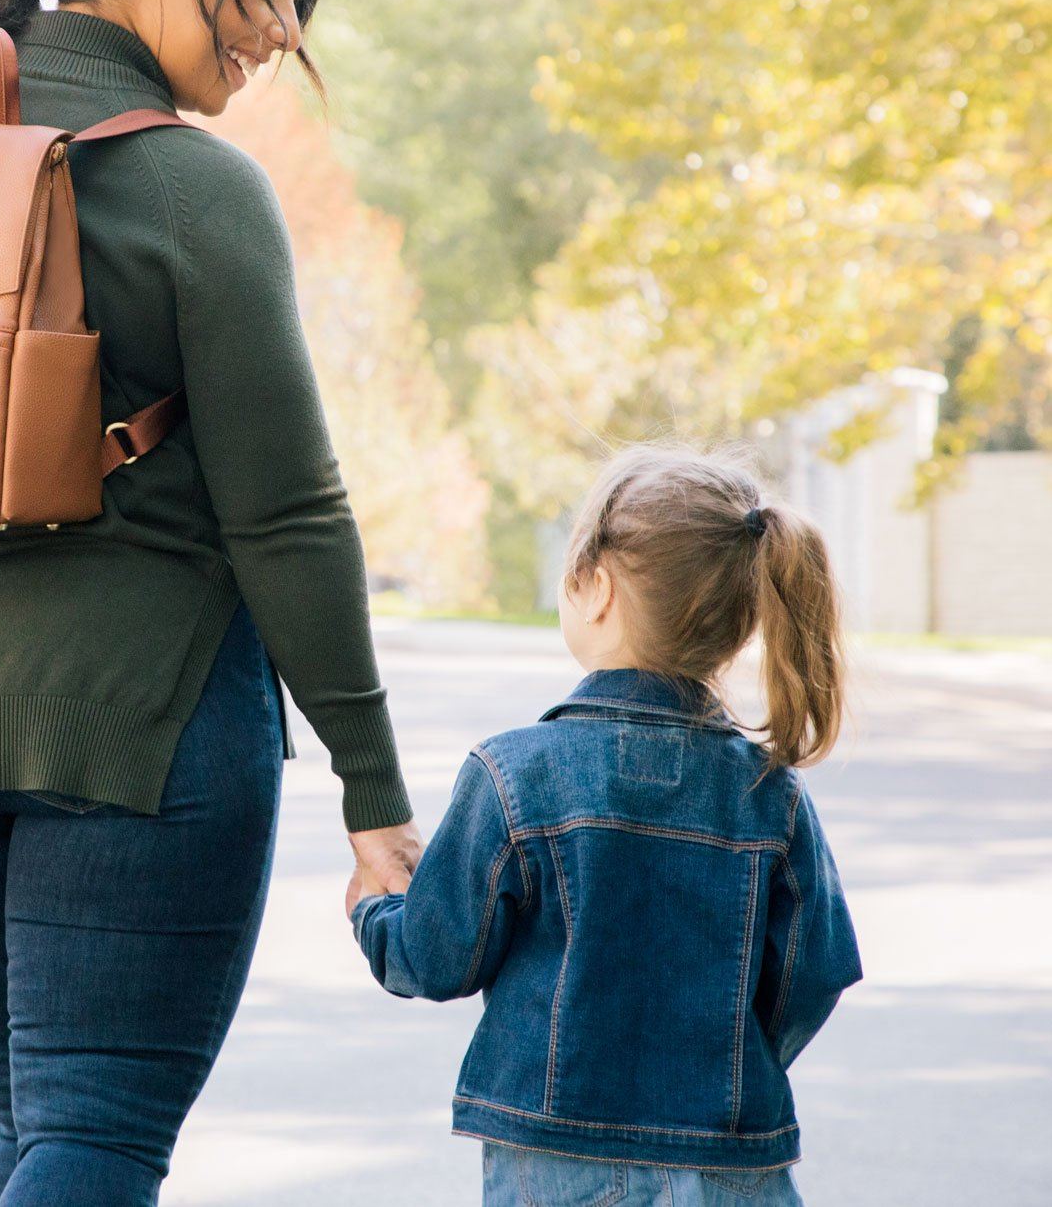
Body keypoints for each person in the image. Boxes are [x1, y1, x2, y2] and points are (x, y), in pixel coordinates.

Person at [0, 0, 423, 1207]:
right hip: (135, 742)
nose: (281, 26)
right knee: (94, 1132)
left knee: (46, 1123)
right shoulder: (190, 188)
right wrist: (375, 791)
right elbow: (286, 515)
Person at [348, 440, 863, 1206]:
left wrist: (374, 911)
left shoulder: (514, 774)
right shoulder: (770, 795)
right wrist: (731, 1062)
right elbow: (813, 973)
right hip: (727, 1155)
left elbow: (435, 956)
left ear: (594, 588)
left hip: (553, 1156)